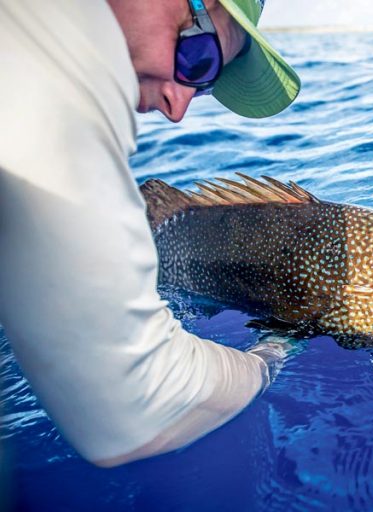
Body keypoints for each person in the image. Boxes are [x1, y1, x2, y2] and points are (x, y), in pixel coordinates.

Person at [0, 0, 300, 467]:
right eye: (196, 56)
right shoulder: (45, 69)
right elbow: (138, 409)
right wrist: (268, 359)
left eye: (202, 83)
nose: (177, 109)